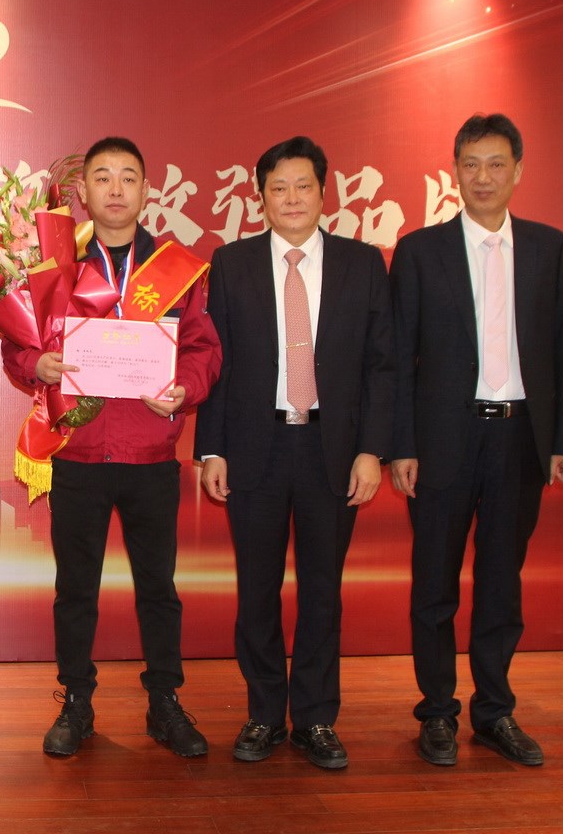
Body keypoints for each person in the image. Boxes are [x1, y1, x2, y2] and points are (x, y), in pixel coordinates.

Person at [0, 137, 221, 758]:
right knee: (76, 589)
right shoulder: (58, 264)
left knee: (158, 588)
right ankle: (76, 700)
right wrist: (37, 364)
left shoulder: (179, 269)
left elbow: (202, 350)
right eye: (103, 177)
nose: (116, 189)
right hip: (78, 453)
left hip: (150, 455)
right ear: (84, 192)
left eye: (128, 177)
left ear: (146, 190)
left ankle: (164, 702)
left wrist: (185, 389)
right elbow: (17, 344)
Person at [388, 113, 563, 768]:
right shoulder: (420, 251)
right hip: (443, 439)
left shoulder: (549, 248)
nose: (483, 177)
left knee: (502, 581)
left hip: (520, 437)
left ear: (518, 170)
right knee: (434, 584)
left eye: (497, 164)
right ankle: (437, 712)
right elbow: (399, 358)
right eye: (470, 165)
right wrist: (401, 445)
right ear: (454, 172)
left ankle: (495, 711)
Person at [195, 136, 394, 771]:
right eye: (277, 188)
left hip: (332, 450)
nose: (291, 198)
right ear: (260, 197)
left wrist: (373, 450)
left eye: (303, 186)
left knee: (322, 592)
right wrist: (211, 450)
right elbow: (217, 363)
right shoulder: (232, 264)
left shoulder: (363, 264)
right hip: (256, 447)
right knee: (256, 590)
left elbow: (381, 366)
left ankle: (314, 718)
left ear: (323, 192)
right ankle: (263, 713)